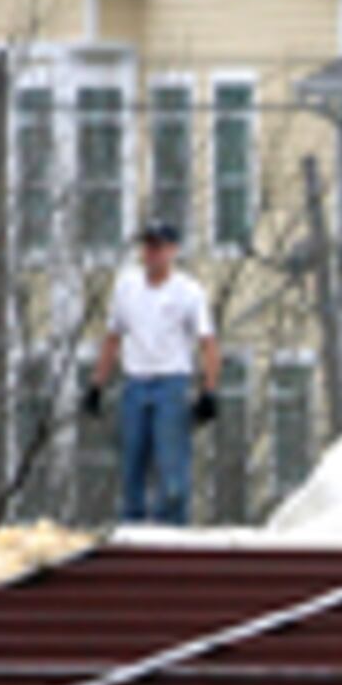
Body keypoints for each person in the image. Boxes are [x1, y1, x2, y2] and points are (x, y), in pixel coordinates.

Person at [92, 217, 218, 524]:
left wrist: (208, 390)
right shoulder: (127, 287)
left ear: (173, 251)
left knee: (171, 467)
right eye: (147, 247)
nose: (152, 254)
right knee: (131, 466)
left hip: (171, 383)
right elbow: (113, 338)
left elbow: (208, 343)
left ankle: (172, 532)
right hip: (135, 382)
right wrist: (97, 384)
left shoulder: (188, 292)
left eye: (158, 247)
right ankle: (132, 529)